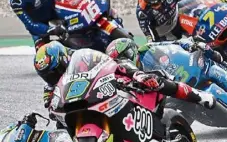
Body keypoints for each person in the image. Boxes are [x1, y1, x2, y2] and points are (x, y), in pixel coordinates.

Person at [34, 41, 215, 111]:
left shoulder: (80, 56)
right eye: (47, 75)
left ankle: (198, 96)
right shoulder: (53, 85)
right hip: (82, 109)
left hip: (109, 90)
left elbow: (109, 63)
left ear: (64, 59)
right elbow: (48, 104)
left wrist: (136, 74)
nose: (53, 77)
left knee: (153, 82)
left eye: (55, 71)